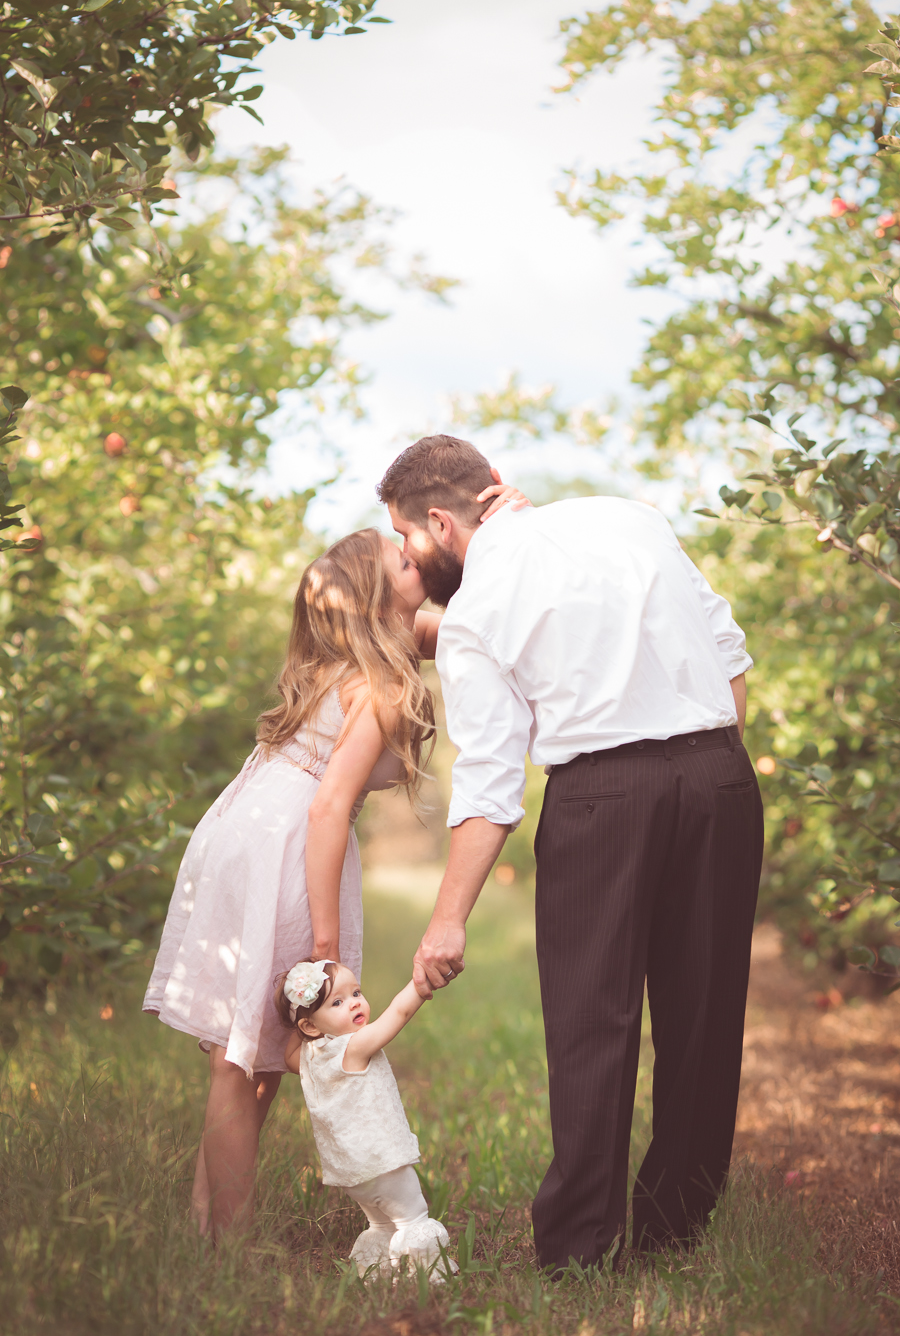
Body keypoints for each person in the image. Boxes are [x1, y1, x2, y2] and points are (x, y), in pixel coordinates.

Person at [377, 434, 764, 1273]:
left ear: (439, 522)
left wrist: (447, 920)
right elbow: (730, 659)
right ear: (495, 485)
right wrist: (698, 758)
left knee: (594, 1020)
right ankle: (677, 1227)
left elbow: (490, 782)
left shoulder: (477, 608)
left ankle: (581, 1250)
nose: (410, 552)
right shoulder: (630, 517)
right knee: (705, 1014)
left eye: (406, 536)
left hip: (602, 797)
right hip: (720, 776)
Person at [142, 482, 522, 1240]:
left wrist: (508, 535)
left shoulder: (353, 655)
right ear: (377, 600)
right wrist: (323, 944)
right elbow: (327, 808)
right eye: (402, 561)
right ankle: (228, 1245)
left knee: (251, 1054)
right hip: (289, 843)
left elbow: (472, 629)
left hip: (247, 827)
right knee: (243, 1061)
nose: (417, 555)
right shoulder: (376, 683)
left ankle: (205, 1224)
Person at [277, 958, 456, 1280]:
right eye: (337, 1002)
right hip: (382, 1162)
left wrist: (301, 1019)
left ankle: (375, 1271)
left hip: (351, 1173)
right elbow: (398, 1013)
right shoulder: (354, 1047)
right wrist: (421, 983)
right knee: (412, 1219)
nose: (354, 1003)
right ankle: (429, 1277)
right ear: (311, 1027)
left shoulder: (307, 1057)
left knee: (382, 1224)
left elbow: (290, 1051)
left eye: (356, 992)